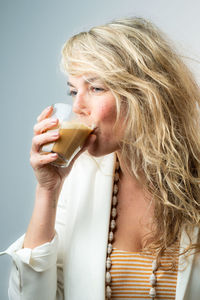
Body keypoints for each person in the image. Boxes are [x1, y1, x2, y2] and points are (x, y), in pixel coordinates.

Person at [1, 17, 200, 300]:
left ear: (146, 94)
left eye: (95, 88)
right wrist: (47, 191)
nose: (77, 106)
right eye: (73, 90)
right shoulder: (77, 181)